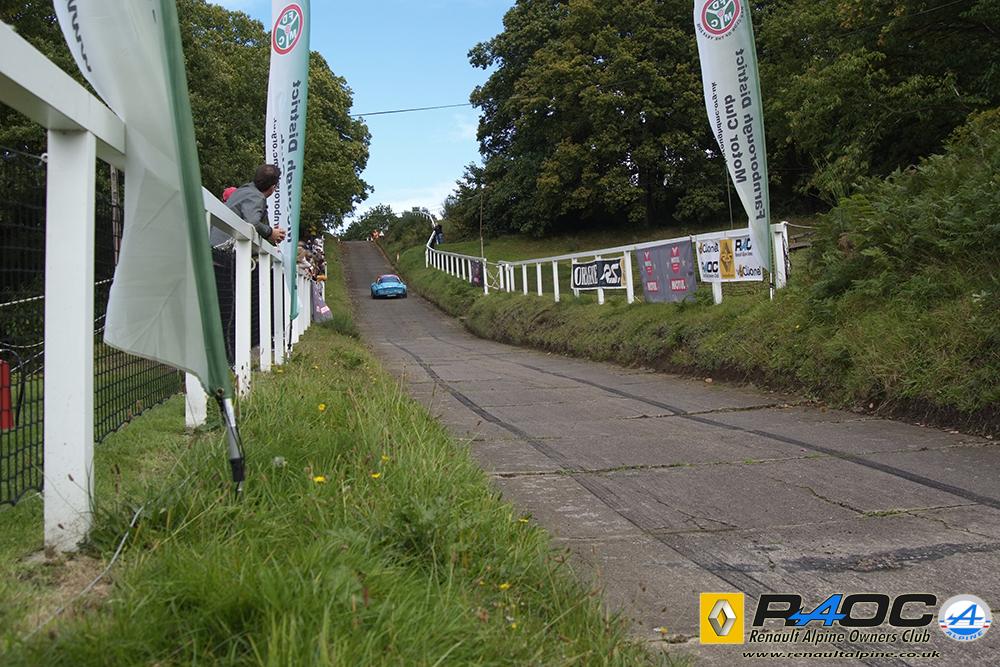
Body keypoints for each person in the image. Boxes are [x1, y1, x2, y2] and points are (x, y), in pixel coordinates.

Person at [224, 165, 286, 245]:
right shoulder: (256, 197)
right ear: (273, 187)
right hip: (223, 247)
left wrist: (272, 233)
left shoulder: (243, 190)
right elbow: (253, 223)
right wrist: (270, 232)